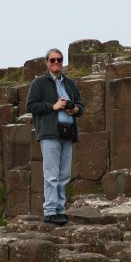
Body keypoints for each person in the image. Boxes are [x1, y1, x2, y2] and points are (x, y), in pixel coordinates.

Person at [25, 48, 84, 225]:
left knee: (64, 175)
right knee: (51, 175)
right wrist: (53, 106)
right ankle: (50, 211)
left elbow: (81, 106)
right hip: (49, 133)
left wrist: (75, 109)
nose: (56, 63)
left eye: (59, 60)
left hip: (68, 133)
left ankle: (60, 210)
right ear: (47, 63)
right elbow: (31, 106)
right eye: (52, 60)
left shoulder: (70, 84)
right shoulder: (39, 83)